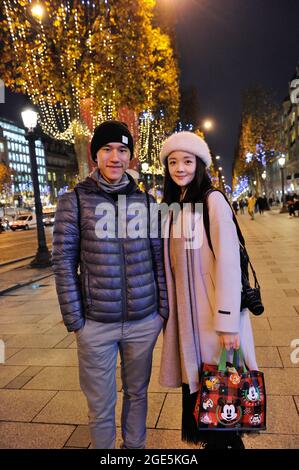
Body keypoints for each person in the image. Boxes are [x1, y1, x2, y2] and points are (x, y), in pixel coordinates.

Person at [52, 120, 168, 449]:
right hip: (96, 325)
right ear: (95, 156)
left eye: (122, 150)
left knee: (137, 394)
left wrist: (161, 311)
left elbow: (158, 258)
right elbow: (62, 262)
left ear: (130, 157)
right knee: (101, 407)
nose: (115, 157)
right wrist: (76, 321)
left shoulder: (146, 204)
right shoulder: (73, 201)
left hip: (143, 321)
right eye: (107, 150)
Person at [158, 131, 258, 449]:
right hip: (187, 322)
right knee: (206, 409)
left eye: (187, 161)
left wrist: (228, 323)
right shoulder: (173, 205)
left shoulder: (212, 200)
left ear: (199, 164)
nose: (180, 168)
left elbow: (228, 260)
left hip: (213, 321)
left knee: (222, 409)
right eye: (173, 162)